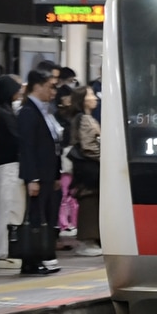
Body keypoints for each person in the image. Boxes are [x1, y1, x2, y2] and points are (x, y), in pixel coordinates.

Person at [16, 69, 62, 275]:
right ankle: (31, 261)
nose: (52, 91)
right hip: (37, 175)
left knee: (42, 215)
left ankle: (39, 257)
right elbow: (27, 147)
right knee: (34, 217)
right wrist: (31, 178)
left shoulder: (44, 111)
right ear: (38, 86)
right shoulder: (27, 112)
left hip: (47, 174)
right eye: (49, 86)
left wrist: (56, 175)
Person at [0, 75, 24, 269]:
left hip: (7, 166)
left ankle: (6, 251)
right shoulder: (3, 114)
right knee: (6, 209)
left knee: (9, 209)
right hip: (8, 166)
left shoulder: (3, 111)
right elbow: (17, 138)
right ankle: (2, 253)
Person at [68, 86, 102, 256]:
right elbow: (88, 146)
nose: (95, 97)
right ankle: (87, 240)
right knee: (89, 200)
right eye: (91, 95)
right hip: (89, 168)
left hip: (89, 167)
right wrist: (103, 157)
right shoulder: (84, 119)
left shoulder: (87, 118)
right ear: (83, 100)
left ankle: (91, 239)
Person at [55, 84, 78, 245]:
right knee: (64, 194)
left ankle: (73, 223)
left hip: (72, 155)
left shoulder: (74, 115)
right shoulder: (57, 115)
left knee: (72, 193)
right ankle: (64, 224)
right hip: (64, 157)